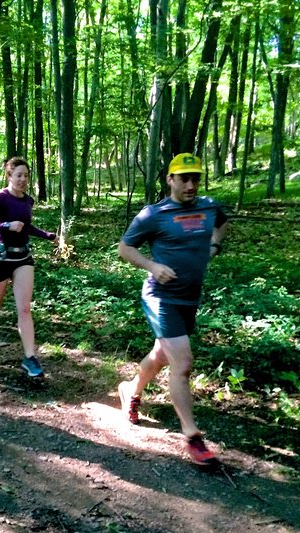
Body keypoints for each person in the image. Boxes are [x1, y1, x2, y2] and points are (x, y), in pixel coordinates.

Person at [116, 153, 228, 466]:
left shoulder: (209, 207)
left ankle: (130, 390)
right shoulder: (154, 214)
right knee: (183, 362)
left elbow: (221, 224)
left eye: (196, 178)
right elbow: (125, 248)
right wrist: (153, 266)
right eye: (184, 178)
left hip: (189, 298)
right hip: (160, 297)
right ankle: (192, 437)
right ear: (170, 179)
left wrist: (214, 245)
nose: (191, 185)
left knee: (162, 354)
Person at [0, 157, 56, 378]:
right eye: (18, 175)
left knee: (24, 308)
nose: (23, 179)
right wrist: (5, 225)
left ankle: (30, 357)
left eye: (26, 175)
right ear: (9, 176)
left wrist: (46, 235)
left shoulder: (28, 200)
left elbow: (26, 227)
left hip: (22, 258)